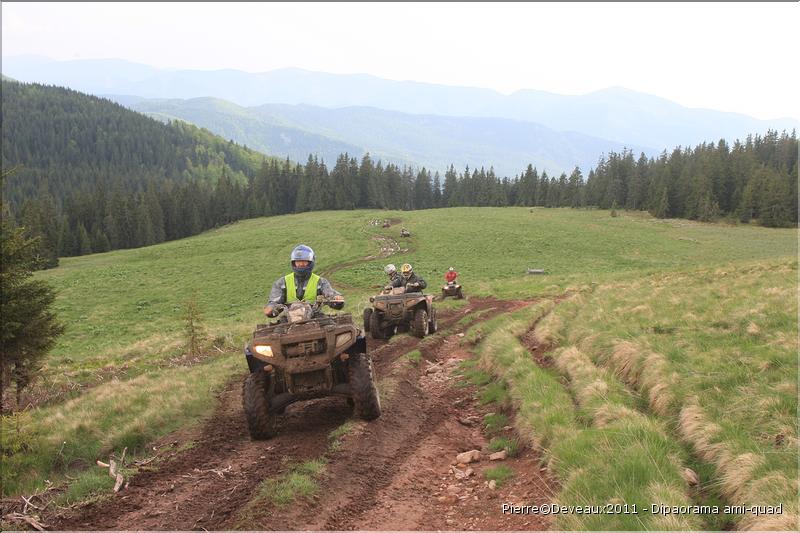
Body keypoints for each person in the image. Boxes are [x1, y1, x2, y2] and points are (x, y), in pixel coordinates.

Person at [263, 244, 344, 317]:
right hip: (289, 319)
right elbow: (274, 302)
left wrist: (336, 299)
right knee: (277, 329)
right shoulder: (282, 282)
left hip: (315, 317)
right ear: (293, 263)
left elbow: (330, 294)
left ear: (311, 262)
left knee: (332, 327)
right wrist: (270, 309)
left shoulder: (320, 282)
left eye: (304, 262)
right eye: (298, 262)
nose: (301, 264)